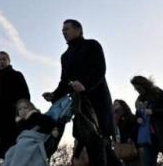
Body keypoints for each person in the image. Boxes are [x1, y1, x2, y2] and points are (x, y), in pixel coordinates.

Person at [43, 19, 116, 166]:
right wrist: (55, 94)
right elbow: (64, 81)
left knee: (100, 140)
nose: (64, 32)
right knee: (93, 141)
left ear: (79, 29)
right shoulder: (65, 56)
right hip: (80, 104)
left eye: (67, 28)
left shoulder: (92, 45)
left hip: (98, 99)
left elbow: (100, 70)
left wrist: (85, 85)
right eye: (62, 30)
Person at [131, 76, 163, 166]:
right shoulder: (139, 100)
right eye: (135, 88)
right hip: (148, 137)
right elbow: (138, 114)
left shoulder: (157, 93)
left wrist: (153, 112)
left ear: (144, 85)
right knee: (148, 163)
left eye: (138, 88)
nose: (137, 90)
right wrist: (138, 119)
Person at [0, 51, 30, 159]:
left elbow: (25, 96)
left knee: (15, 147)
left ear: (9, 60)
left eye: (4, 59)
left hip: (13, 117)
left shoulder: (16, 75)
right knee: (4, 150)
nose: (1, 61)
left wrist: (19, 111)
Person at [2, 99, 58, 166]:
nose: (22, 111)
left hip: (34, 140)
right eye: (20, 109)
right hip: (22, 141)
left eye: (25, 108)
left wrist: (54, 129)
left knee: (22, 147)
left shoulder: (36, 116)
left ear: (31, 108)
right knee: (10, 152)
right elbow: (19, 137)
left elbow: (49, 121)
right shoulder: (20, 124)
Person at [113, 100, 140, 166]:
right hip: (122, 147)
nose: (114, 106)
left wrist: (131, 137)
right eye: (114, 104)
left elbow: (136, 126)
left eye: (117, 104)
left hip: (132, 145)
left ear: (122, 106)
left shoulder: (128, 116)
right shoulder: (115, 121)